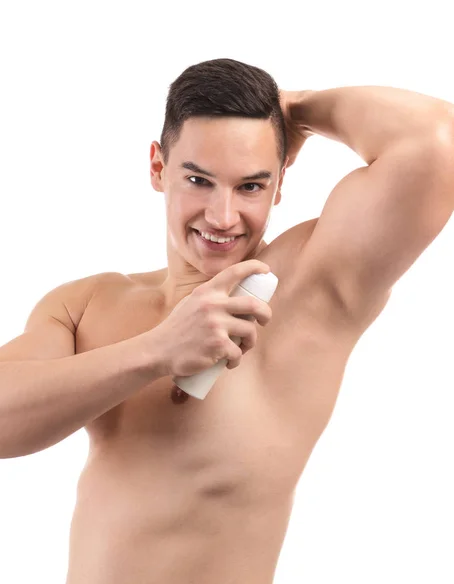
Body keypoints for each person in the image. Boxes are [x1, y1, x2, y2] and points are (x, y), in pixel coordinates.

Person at [0, 58, 453, 584]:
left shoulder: (306, 291)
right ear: (157, 167)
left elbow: (436, 144)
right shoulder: (86, 303)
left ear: (281, 183)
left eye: (251, 186)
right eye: (199, 179)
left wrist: (297, 109)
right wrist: (157, 351)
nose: (222, 217)